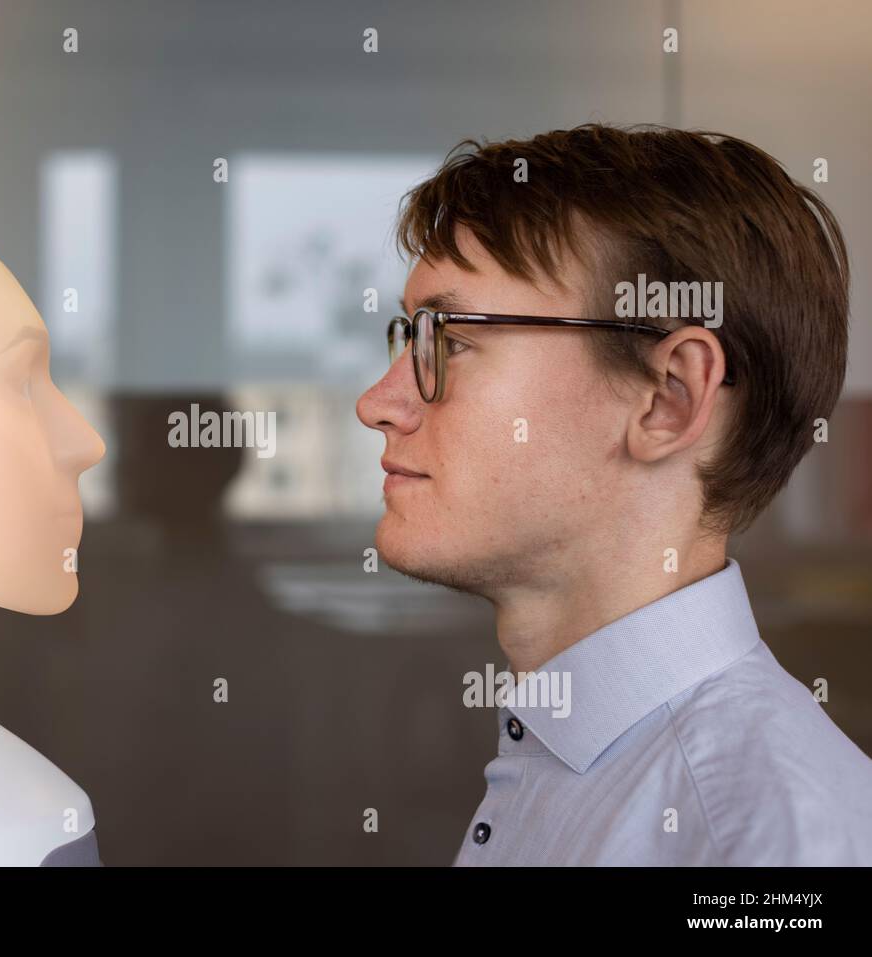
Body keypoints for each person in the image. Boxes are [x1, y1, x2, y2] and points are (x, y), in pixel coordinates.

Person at [356, 124, 872, 865]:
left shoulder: (763, 844)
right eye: (409, 336)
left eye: (452, 340)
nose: (378, 403)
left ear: (668, 398)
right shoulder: (571, 760)